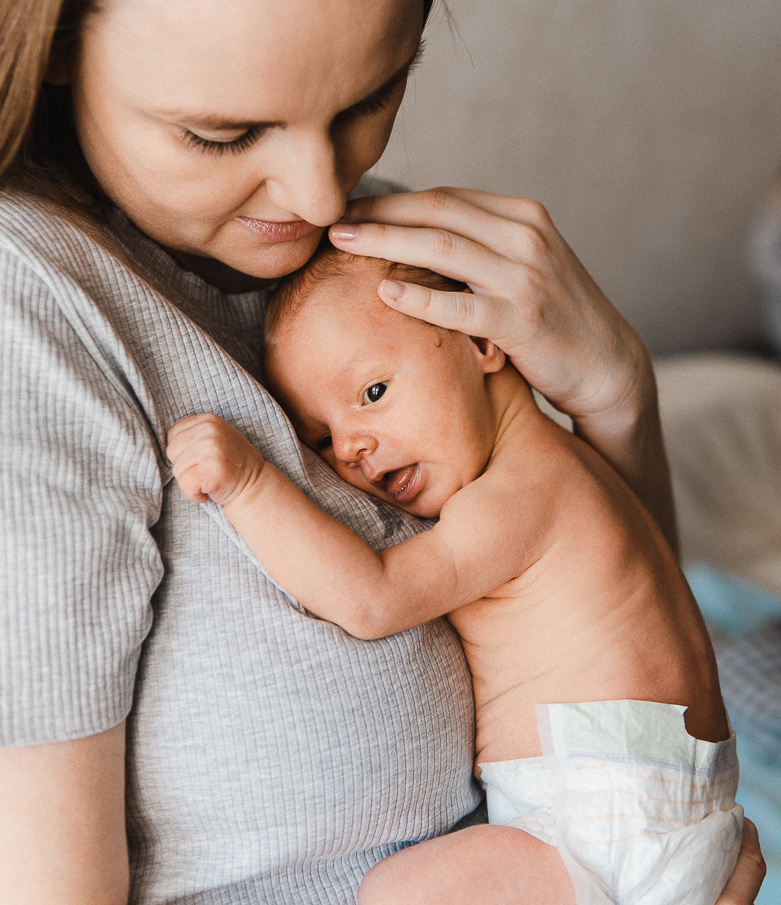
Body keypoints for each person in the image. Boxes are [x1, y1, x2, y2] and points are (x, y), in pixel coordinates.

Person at [0, 0, 764, 902]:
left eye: (366, 98)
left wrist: (613, 394)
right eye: (221, 133)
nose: (315, 193)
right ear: (51, 45)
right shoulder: (30, 315)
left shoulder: (375, 245)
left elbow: (622, 657)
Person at [168, 245, 743, 905]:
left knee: (400, 892)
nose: (351, 447)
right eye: (322, 437)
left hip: (608, 829)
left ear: (481, 343)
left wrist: (247, 484)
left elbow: (372, 597)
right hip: (655, 815)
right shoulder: (574, 468)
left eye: (372, 392)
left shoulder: (519, 493)